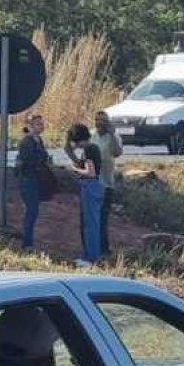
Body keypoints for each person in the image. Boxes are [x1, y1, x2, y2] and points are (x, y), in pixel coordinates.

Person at [65, 122, 105, 266]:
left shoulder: (88, 149)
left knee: (90, 224)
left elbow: (90, 172)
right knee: (90, 223)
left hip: (91, 186)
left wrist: (74, 170)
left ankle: (91, 258)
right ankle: (90, 254)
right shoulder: (92, 148)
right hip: (95, 186)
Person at [15, 113, 51, 249]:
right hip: (28, 178)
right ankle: (26, 243)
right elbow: (24, 161)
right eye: (37, 124)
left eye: (41, 124)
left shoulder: (38, 140)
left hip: (36, 179)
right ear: (30, 126)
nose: (40, 126)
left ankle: (28, 240)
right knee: (31, 211)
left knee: (33, 211)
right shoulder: (26, 142)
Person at [92, 110, 124, 254]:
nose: (99, 123)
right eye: (97, 120)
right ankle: (95, 247)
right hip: (92, 183)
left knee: (103, 219)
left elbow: (117, 152)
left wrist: (112, 134)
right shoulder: (92, 136)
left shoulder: (113, 137)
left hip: (106, 184)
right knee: (93, 218)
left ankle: (103, 249)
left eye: (103, 120)